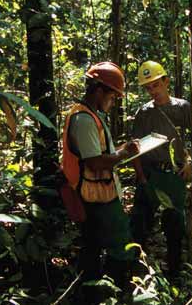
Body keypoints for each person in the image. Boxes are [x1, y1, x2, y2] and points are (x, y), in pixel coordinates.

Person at [61, 62, 139, 303]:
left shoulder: (92, 115)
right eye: (112, 96)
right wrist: (124, 154)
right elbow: (94, 162)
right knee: (117, 243)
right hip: (95, 195)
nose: (113, 101)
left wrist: (120, 151)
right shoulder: (84, 119)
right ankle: (111, 292)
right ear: (98, 90)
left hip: (100, 191)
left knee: (93, 245)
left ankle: (95, 292)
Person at [131, 60, 192, 277]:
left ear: (166, 81)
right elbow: (135, 148)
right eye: (148, 87)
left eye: (156, 85)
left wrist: (191, 164)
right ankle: (138, 274)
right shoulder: (144, 113)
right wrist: (141, 177)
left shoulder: (182, 107)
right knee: (140, 224)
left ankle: (174, 273)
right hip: (150, 174)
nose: (153, 91)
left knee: (174, 226)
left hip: (173, 174)